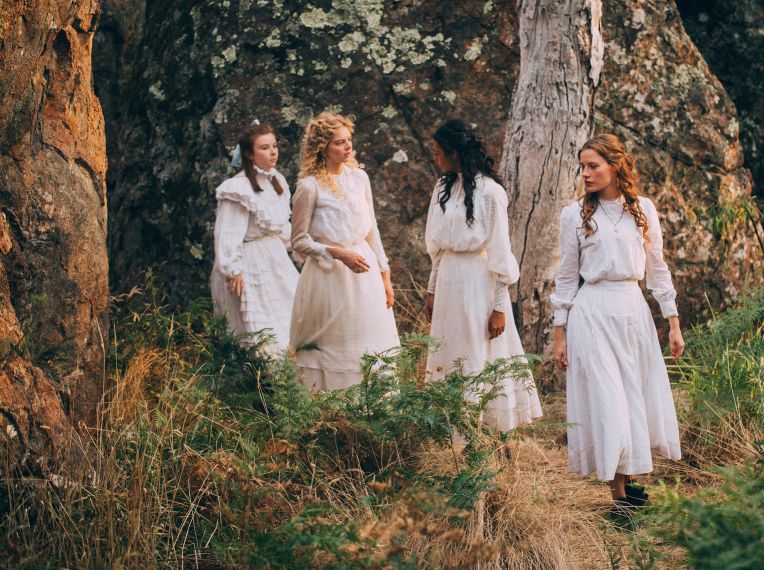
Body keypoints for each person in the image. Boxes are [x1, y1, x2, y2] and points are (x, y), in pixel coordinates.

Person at [550, 133, 684, 513]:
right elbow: (566, 277)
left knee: (633, 397)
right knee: (608, 400)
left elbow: (657, 269)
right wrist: (560, 334)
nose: (586, 174)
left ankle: (630, 483)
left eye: (593, 166)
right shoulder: (573, 215)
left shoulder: (642, 209)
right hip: (591, 312)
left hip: (632, 310)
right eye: (583, 167)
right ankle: (620, 498)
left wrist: (672, 322)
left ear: (615, 166)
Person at [424, 119, 543, 431]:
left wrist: (499, 307)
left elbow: (500, 252)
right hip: (449, 276)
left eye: (439, 153)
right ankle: (454, 426)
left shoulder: (491, 192)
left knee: (479, 351)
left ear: (455, 152)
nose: (436, 159)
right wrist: (432, 289)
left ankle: (485, 427)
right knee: (449, 350)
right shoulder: (443, 188)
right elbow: (436, 246)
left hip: (477, 281)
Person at [289, 112, 399, 392]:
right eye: (339, 142)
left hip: (366, 273)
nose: (347, 147)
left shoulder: (359, 178)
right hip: (329, 277)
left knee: (368, 339)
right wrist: (338, 253)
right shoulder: (309, 186)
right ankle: (330, 408)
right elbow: (299, 240)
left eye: (349, 140)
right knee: (335, 344)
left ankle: (374, 407)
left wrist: (385, 276)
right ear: (322, 146)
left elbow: (372, 229)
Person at [211, 122, 299, 355]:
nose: (273, 152)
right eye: (264, 148)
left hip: (275, 258)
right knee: (260, 327)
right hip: (248, 261)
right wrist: (232, 270)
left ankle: (295, 379)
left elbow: (279, 227)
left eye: (274, 146)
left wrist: (304, 244)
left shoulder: (275, 181)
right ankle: (261, 381)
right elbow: (227, 232)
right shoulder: (238, 189)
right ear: (250, 154)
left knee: (291, 313)